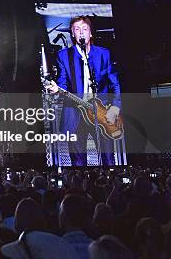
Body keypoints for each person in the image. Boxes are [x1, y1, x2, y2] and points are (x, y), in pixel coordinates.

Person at [46, 16, 121, 166]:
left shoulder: (103, 54)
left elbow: (115, 84)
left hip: (102, 115)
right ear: (72, 34)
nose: (81, 32)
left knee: (108, 161)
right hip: (75, 114)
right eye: (77, 29)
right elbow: (63, 83)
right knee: (78, 163)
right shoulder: (64, 56)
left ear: (90, 33)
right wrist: (57, 89)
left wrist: (114, 108)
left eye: (84, 29)